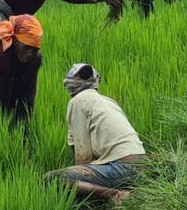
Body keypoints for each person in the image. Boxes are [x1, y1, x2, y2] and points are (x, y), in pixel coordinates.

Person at [45, 63, 146, 202]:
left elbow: (83, 156)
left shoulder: (78, 101)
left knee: (54, 178)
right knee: (79, 186)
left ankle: (115, 195)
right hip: (142, 164)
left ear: (70, 86)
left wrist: (78, 175)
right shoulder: (108, 101)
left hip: (122, 168)